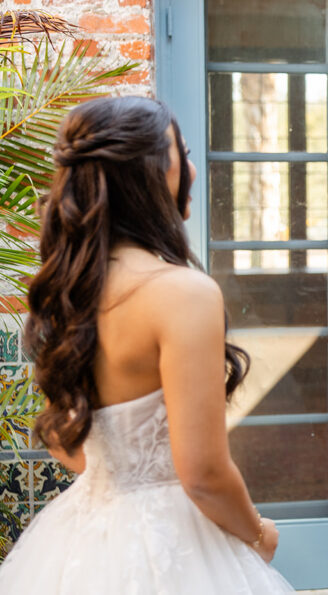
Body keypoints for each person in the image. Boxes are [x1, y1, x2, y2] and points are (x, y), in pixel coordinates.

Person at [0, 96, 293, 593]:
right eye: (184, 151)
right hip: (174, 545)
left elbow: (64, 440)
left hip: (80, 541)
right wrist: (259, 535)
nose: (194, 169)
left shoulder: (70, 289)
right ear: (154, 170)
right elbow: (202, 472)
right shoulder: (183, 293)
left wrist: (122, 475)